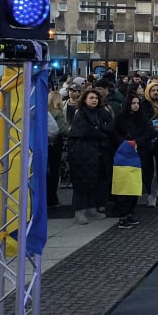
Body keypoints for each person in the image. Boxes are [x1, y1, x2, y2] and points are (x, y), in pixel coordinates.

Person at [68, 88, 115, 225]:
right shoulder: (81, 114)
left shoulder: (102, 113)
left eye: (96, 98)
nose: (94, 100)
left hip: (99, 153)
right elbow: (83, 131)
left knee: (97, 182)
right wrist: (99, 132)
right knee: (82, 182)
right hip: (83, 153)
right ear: (85, 99)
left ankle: (91, 208)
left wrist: (100, 130)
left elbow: (111, 126)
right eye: (91, 98)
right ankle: (79, 211)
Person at [113, 95, 154, 228]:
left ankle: (130, 211)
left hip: (139, 153)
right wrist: (126, 143)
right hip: (124, 155)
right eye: (133, 103)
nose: (135, 105)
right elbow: (114, 133)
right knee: (124, 185)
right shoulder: (120, 118)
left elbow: (149, 132)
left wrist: (137, 142)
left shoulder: (142, 118)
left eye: (137, 103)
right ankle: (123, 214)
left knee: (135, 184)